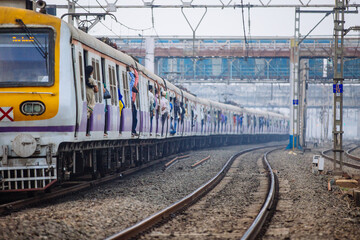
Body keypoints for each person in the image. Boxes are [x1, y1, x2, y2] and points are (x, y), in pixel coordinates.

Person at [85, 66, 97, 136]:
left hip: (84, 94)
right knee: (88, 113)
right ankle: (87, 132)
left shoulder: (83, 78)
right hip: (90, 96)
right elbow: (96, 90)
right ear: (91, 72)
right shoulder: (91, 80)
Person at [128, 65, 139, 136]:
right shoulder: (131, 84)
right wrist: (133, 70)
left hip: (131, 102)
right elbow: (135, 79)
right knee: (134, 118)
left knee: (133, 118)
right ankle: (133, 131)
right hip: (131, 102)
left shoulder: (130, 85)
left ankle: (133, 130)